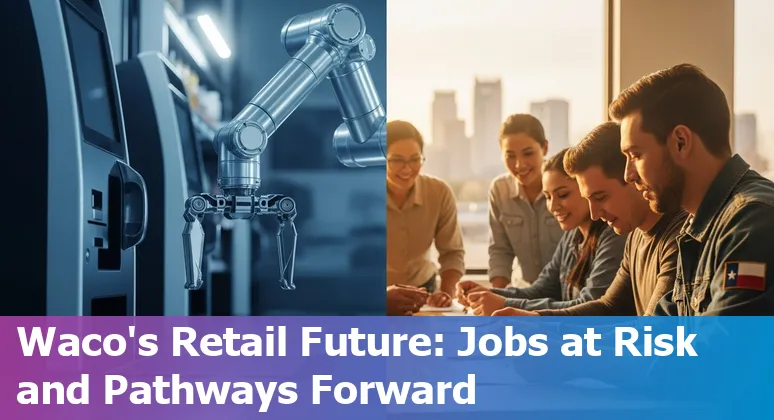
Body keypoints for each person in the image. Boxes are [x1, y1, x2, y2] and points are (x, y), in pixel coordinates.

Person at [608, 63, 774, 315]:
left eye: (636, 155)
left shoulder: (752, 221)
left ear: (681, 142)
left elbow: (717, 350)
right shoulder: (695, 228)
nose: (628, 175)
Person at [492, 121, 688, 317]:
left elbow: (653, 334)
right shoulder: (636, 235)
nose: (595, 215)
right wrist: (536, 319)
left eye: (601, 197)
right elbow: (608, 306)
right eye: (588, 199)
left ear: (632, 177)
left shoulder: (679, 239)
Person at [458, 148, 626, 316]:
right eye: (547, 197)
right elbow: (541, 290)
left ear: (585, 189)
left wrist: (504, 303)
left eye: (563, 194)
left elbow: (588, 306)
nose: (553, 207)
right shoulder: (572, 236)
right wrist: (488, 294)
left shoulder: (613, 235)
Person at [386, 120, 465, 312]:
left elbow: (452, 253)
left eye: (415, 159)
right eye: (397, 160)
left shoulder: (439, 192)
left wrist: (445, 293)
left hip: (423, 291)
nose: (407, 168)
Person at [488, 114, 564, 288]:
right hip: (524, 291)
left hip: (566, 294)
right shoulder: (499, 190)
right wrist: (496, 298)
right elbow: (500, 251)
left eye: (528, 153)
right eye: (510, 156)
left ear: (544, 148)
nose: (519, 165)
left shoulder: (566, 186)